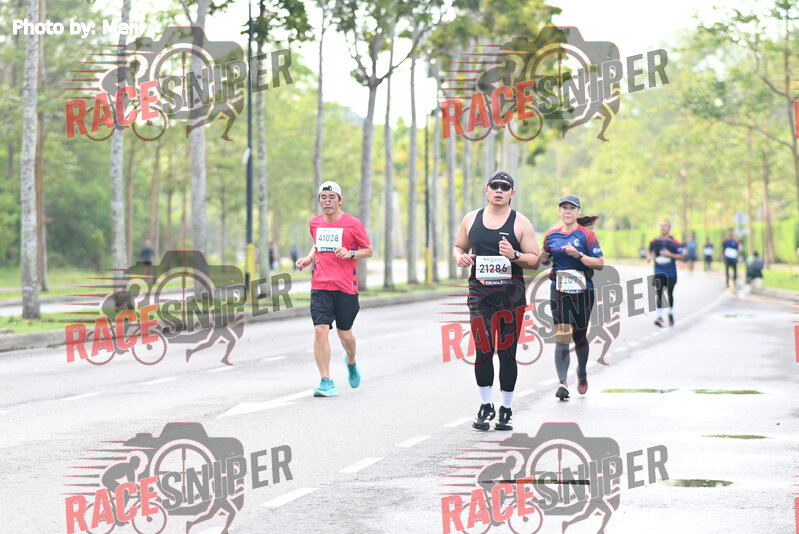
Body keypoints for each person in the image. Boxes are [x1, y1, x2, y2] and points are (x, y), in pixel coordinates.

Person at [453, 171, 540, 431]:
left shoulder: (520, 222)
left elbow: (535, 259)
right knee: (483, 350)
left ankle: (506, 409)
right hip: (480, 296)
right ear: (487, 190)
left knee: (506, 352)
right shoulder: (471, 219)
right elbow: (459, 247)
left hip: (510, 298)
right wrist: (459, 257)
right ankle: (485, 405)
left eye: (505, 186)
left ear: (512, 193)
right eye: (495, 186)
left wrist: (514, 255)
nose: (499, 190)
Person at [296, 181, 372, 397]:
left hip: (346, 287)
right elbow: (317, 244)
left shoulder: (353, 224)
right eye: (323, 197)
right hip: (320, 285)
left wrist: (351, 253)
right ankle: (326, 381)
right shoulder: (315, 223)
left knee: (344, 334)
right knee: (320, 329)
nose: (327, 201)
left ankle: (351, 361)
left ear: (340, 200)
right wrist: (309, 258)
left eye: (331, 197)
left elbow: (368, 250)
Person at [539, 195, 605, 401]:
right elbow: (545, 259)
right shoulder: (550, 236)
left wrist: (579, 256)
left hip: (583, 292)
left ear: (578, 211)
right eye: (564, 208)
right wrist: (543, 258)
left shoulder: (587, 235)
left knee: (579, 336)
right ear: (559, 211)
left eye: (572, 208)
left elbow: (600, 263)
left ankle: (582, 372)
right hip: (559, 291)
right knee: (562, 335)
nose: (568, 211)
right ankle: (562, 382)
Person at [647, 220, 685, 327]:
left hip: (671, 273)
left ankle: (670, 313)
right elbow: (649, 250)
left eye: (665, 226)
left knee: (670, 294)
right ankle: (660, 317)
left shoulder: (675, 242)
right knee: (659, 293)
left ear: (669, 228)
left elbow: (682, 256)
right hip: (659, 272)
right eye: (661, 226)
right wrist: (649, 256)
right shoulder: (654, 240)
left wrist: (670, 255)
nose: (663, 227)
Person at [101, 456, 141, 526]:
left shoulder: (129, 467)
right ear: (134, 462)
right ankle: (118, 516)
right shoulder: (129, 468)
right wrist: (142, 489)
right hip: (107, 479)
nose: (138, 465)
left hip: (108, 479)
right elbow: (132, 484)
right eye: (137, 463)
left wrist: (139, 489)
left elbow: (132, 484)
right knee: (125, 493)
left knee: (124, 493)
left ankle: (117, 513)